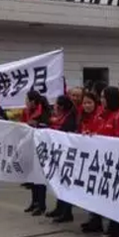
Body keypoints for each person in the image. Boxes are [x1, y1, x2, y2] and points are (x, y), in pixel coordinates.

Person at [81, 86, 119, 237]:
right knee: (100, 193)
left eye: (103, 97)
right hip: (101, 161)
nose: (101, 100)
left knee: (114, 195)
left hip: (113, 162)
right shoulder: (101, 115)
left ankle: (117, 228)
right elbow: (97, 132)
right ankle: (96, 221)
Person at [46, 95, 79, 223]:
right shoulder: (61, 117)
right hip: (58, 154)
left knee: (65, 183)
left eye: (56, 104)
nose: (54, 106)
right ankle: (59, 208)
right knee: (59, 182)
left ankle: (67, 212)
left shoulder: (69, 119)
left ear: (61, 106)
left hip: (66, 155)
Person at [23, 90, 51, 215]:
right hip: (30, 147)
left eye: (27, 100)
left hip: (40, 149)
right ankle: (34, 202)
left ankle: (41, 204)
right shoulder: (27, 111)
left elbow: (46, 128)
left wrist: (36, 125)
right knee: (32, 178)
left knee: (39, 179)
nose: (26, 102)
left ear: (33, 102)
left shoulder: (43, 112)